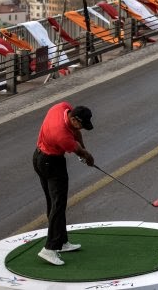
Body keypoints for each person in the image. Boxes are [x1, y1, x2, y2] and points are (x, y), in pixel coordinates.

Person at [32, 101, 95, 266]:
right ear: (74, 119)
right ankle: (50, 248)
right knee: (58, 205)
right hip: (51, 164)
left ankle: (61, 241)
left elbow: (76, 134)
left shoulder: (62, 107)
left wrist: (83, 148)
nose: (82, 129)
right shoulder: (61, 135)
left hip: (39, 157)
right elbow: (79, 150)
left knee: (53, 203)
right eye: (81, 125)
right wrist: (88, 157)